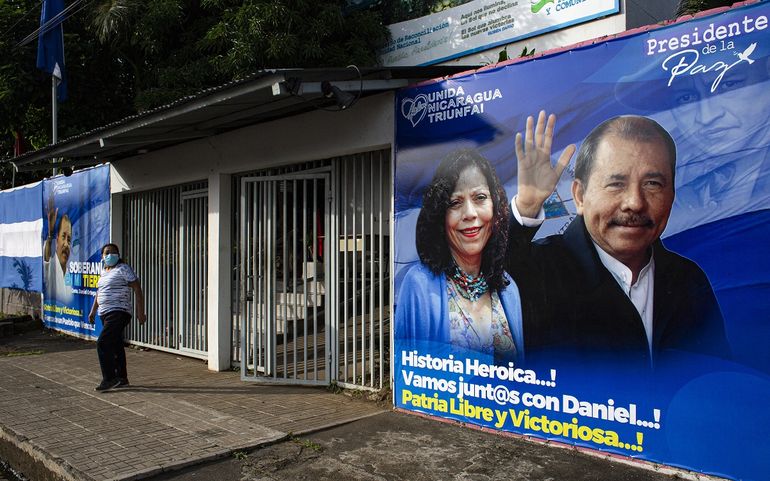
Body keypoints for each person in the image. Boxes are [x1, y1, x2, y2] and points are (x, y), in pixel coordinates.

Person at [508, 111, 730, 368]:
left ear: (672, 194)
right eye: (616, 184)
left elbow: (714, 381)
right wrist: (526, 208)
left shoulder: (688, 280)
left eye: (653, 184)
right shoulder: (537, 271)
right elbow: (472, 284)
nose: (635, 203)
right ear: (580, 196)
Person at [395, 149, 524, 364]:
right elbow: (409, 375)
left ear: (496, 207)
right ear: (440, 216)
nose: (470, 213)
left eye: (480, 198)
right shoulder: (419, 285)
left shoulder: (508, 289)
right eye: (455, 203)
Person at [88, 243, 147, 392]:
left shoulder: (123, 269)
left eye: (114, 252)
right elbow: (99, 292)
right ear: (102, 256)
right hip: (105, 312)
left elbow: (137, 288)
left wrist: (141, 312)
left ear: (119, 255)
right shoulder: (104, 272)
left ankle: (109, 379)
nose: (111, 255)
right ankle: (122, 378)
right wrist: (93, 311)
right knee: (115, 345)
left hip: (119, 311)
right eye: (107, 253)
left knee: (103, 342)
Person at [43, 195, 74, 303]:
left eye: (69, 240)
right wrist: (50, 233)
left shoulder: (69, 274)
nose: (66, 244)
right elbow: (46, 258)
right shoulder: (51, 263)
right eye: (63, 236)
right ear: (57, 239)